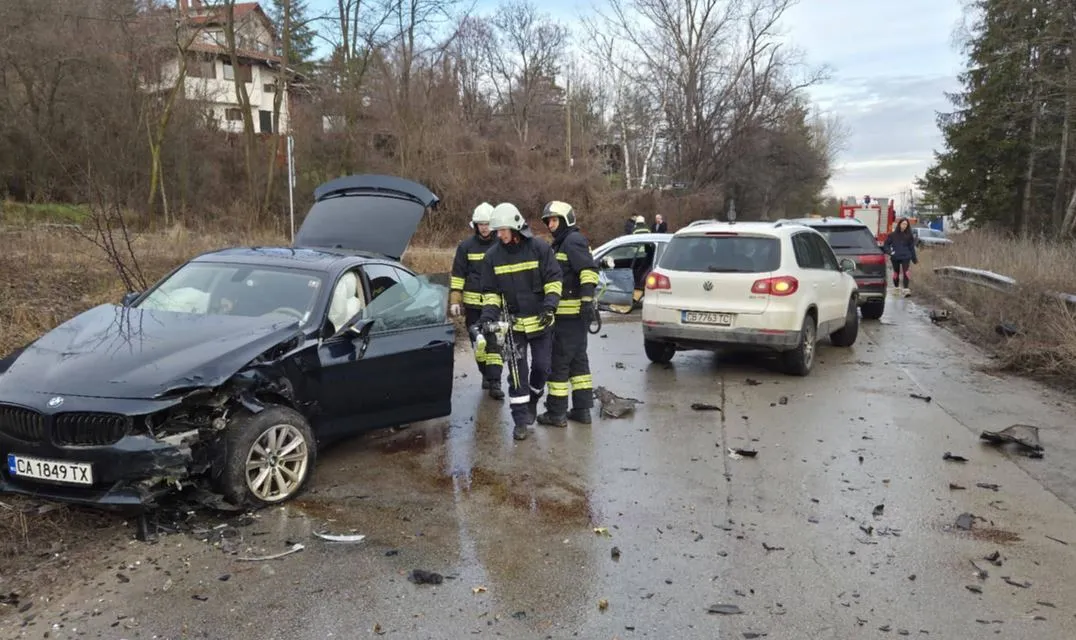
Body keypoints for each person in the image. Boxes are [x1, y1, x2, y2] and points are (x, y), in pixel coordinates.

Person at [478, 203, 563, 441]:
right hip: (513, 326)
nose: (499, 235)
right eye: (497, 231)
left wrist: (550, 306)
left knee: (542, 368)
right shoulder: (492, 257)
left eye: (503, 230)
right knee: (517, 374)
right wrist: (488, 317)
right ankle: (520, 421)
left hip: (541, 322)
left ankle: (534, 398)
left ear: (516, 227)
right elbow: (491, 293)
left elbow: (554, 279)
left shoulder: (539, 248)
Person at [536, 201, 599, 428]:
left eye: (554, 220)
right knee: (578, 363)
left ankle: (556, 413)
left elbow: (588, 271)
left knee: (558, 363)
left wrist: (587, 300)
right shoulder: (562, 243)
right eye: (548, 221)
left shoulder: (572, 241)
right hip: (574, 317)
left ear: (565, 220)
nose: (550, 225)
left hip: (568, 316)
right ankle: (582, 410)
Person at [449, 202, 503, 399]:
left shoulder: (501, 246)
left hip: (494, 304)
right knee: (478, 344)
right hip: (472, 306)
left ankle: (495, 382)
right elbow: (458, 275)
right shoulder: (466, 247)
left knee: (494, 343)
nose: (484, 228)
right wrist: (455, 300)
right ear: (475, 225)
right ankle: (486, 374)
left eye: (487, 224)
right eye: (481, 224)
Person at [883, 217, 917, 297]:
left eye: (906, 224)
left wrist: (914, 258)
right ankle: (896, 288)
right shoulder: (892, 235)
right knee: (896, 272)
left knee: (906, 272)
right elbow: (886, 245)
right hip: (895, 256)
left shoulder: (909, 235)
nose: (904, 225)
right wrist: (890, 252)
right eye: (903, 224)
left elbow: (912, 248)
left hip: (906, 256)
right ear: (899, 224)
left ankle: (906, 290)